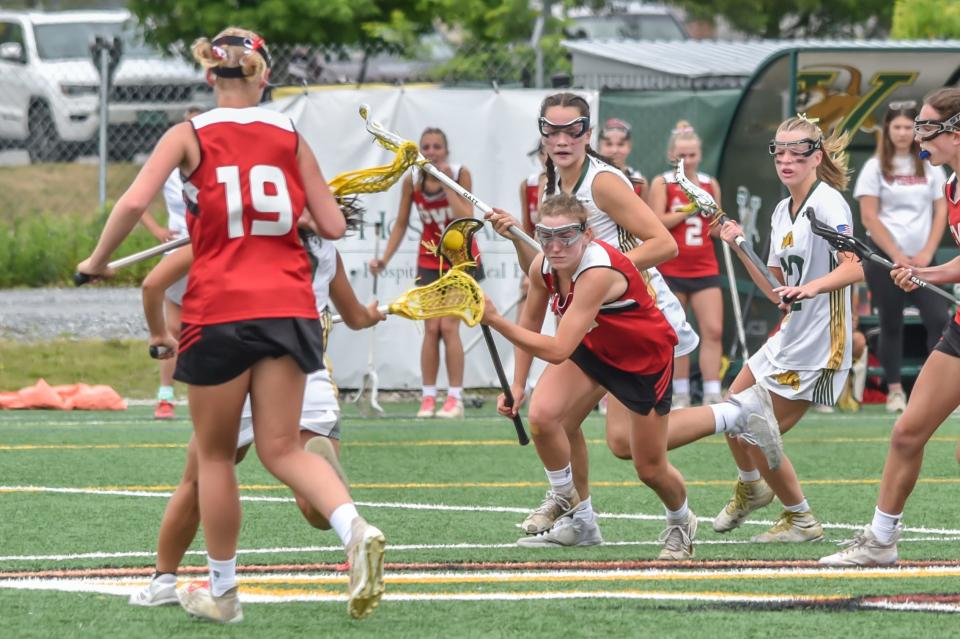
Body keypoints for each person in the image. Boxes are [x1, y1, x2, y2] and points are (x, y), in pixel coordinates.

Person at [76, 27, 385, 623]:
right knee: (281, 448)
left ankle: (223, 592)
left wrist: (96, 259)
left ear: (208, 75)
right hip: (290, 307)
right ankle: (355, 530)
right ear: (264, 75)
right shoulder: (290, 133)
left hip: (221, 308)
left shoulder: (187, 133)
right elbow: (333, 226)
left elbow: (136, 202)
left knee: (214, 458)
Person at [131, 218, 386, 609]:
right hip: (305, 372)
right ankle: (352, 528)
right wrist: (374, 312)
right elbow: (355, 317)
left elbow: (153, 285)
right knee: (311, 502)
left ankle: (171, 582)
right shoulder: (322, 248)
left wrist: (158, 333)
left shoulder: (227, 233)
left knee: (201, 475)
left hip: (238, 367)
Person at [486, 92, 700, 547]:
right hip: (591, 323)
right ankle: (579, 519)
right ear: (541, 133)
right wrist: (516, 238)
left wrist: (601, 275)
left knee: (637, 456)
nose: (562, 139)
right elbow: (543, 275)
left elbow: (664, 243)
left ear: (588, 131)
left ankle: (731, 416)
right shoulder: (552, 188)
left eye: (573, 129)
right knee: (548, 420)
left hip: (639, 321)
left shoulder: (603, 183)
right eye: (552, 130)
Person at [664, 114, 863, 543]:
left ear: (817, 156)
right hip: (789, 334)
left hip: (820, 342)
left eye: (798, 151)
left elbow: (854, 267)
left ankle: (801, 519)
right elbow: (774, 287)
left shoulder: (828, 203)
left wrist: (809, 288)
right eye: (779, 151)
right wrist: (737, 245)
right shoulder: (780, 211)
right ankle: (752, 488)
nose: (786, 159)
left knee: (753, 425)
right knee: (736, 403)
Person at [821, 88, 960, 566]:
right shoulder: (949, 183)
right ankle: (881, 541)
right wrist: (927, 271)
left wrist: (930, 271)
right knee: (907, 432)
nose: (918, 136)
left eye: (926, 126)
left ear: (955, 131)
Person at [369, 127, 477, 419]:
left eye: (437, 147)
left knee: (448, 327)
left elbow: (465, 215)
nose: (431, 152)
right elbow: (402, 224)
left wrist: (445, 181)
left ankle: (455, 398)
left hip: (460, 260)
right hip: (430, 260)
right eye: (426, 147)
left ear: (446, 150)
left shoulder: (459, 174)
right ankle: (428, 397)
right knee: (430, 329)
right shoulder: (412, 181)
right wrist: (384, 259)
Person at [854, 101, 949, 413]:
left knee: (939, 320)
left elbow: (941, 211)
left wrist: (925, 253)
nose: (904, 132)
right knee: (890, 323)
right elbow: (869, 217)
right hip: (885, 261)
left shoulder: (932, 164)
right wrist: (897, 256)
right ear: (887, 130)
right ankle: (895, 391)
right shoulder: (874, 167)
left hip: (924, 260)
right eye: (897, 126)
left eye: (910, 126)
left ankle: (937, 390)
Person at [649, 121, 725, 407]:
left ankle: (712, 390)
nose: (687, 161)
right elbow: (655, 222)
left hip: (705, 267)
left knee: (713, 329)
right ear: (672, 156)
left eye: (692, 155)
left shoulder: (708, 184)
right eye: (682, 155)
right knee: (677, 332)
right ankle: (679, 391)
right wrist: (686, 209)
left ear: (700, 155)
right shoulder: (663, 182)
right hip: (671, 270)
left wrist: (729, 228)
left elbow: (715, 226)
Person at [146, 105, 205, 421]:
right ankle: (166, 396)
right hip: (181, 249)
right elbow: (136, 200)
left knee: (209, 326)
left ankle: (218, 391)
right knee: (173, 327)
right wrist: (158, 230)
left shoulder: (214, 162)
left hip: (209, 248)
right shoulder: (169, 165)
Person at [597, 117, 645, 198]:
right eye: (608, 144)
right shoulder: (590, 178)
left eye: (620, 144)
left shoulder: (639, 181)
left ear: (629, 146)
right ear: (599, 147)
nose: (614, 150)